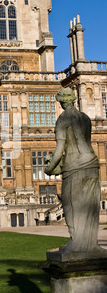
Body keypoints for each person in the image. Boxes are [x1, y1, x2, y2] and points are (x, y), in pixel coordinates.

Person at [45, 87, 105, 256]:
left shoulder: (63, 119)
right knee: (90, 206)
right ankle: (90, 245)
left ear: (61, 101)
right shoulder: (85, 118)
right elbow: (85, 141)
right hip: (91, 163)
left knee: (71, 205)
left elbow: (60, 149)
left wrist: (49, 169)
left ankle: (77, 244)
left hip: (75, 165)